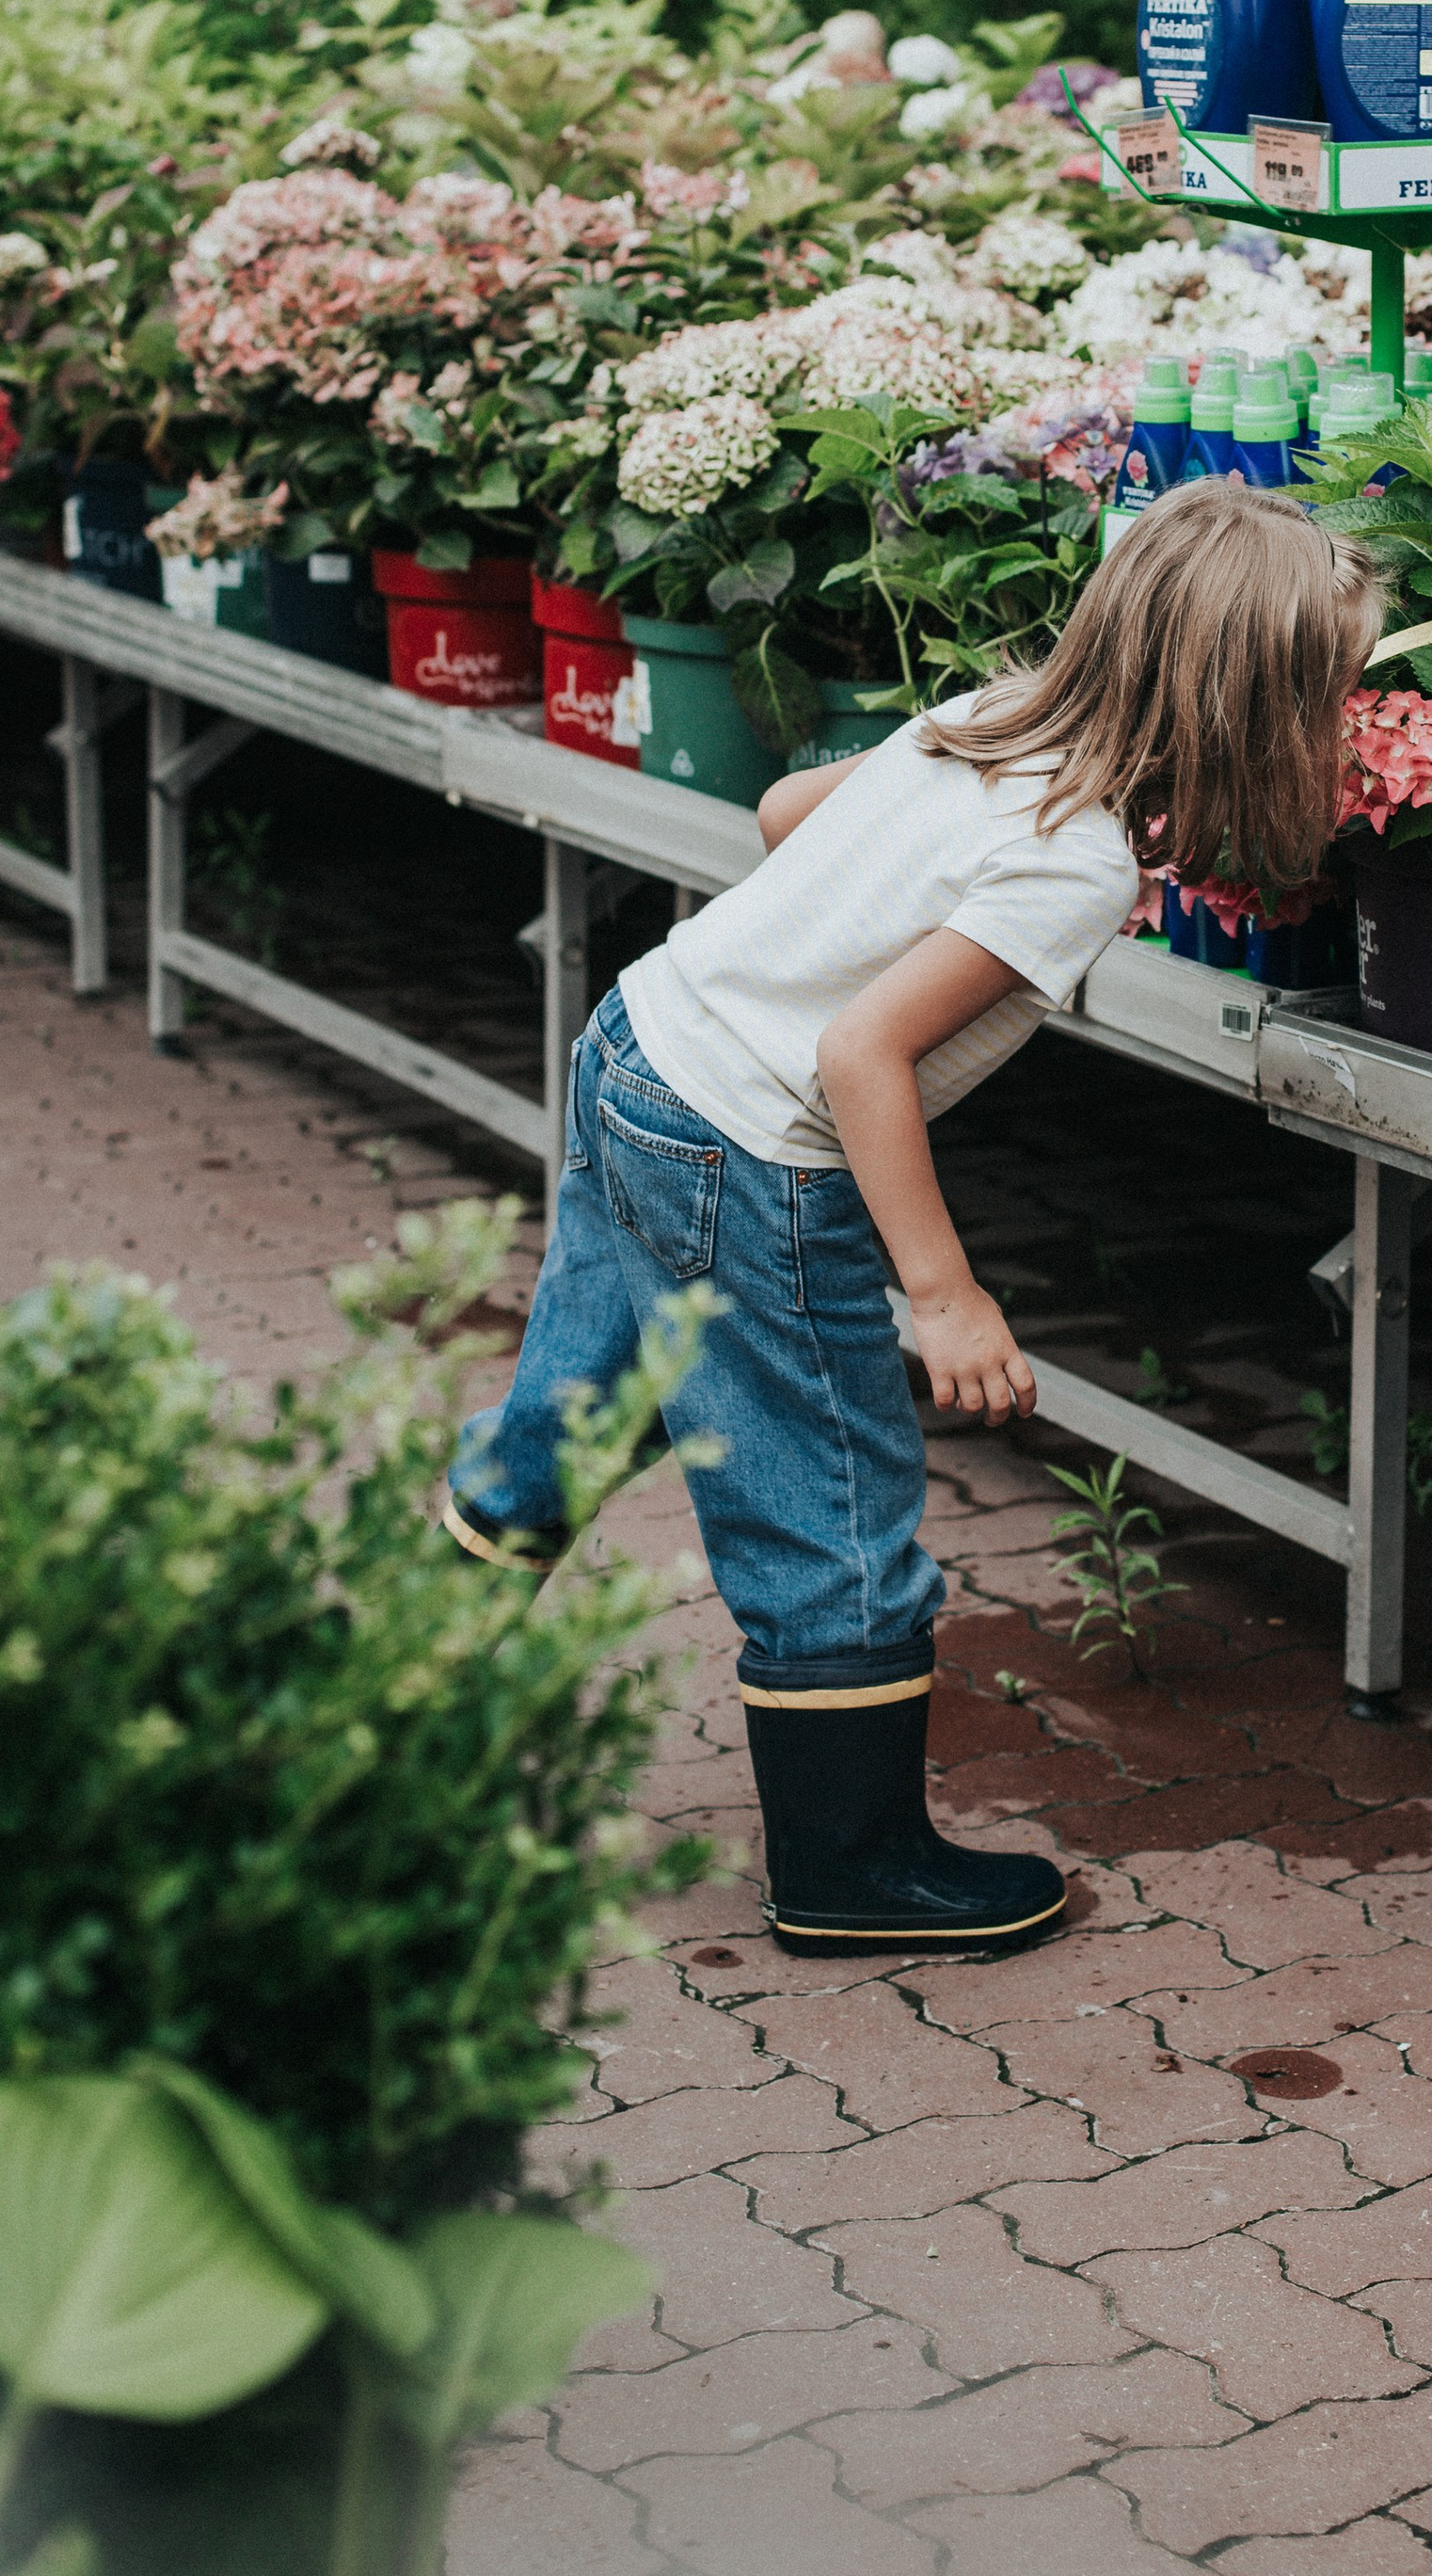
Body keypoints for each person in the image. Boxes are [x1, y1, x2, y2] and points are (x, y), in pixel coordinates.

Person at [444, 483, 1384, 1962]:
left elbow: (779, 814)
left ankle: (410, 1660)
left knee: (585, 1390)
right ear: (1251, 712)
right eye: (1329, 698)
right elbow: (858, 1055)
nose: (1341, 725)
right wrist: (945, 1298)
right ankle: (849, 1865)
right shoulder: (1079, 861)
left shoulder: (991, 716)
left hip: (644, 1045)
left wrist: (838, 914)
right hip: (751, 1145)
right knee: (825, 1491)